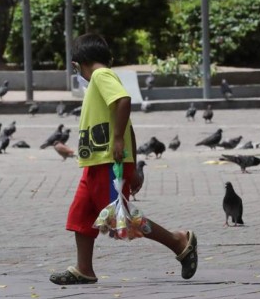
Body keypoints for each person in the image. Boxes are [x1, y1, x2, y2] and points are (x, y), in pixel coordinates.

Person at [49, 33, 198, 285]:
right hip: (97, 163)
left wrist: (118, 142)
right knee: (81, 216)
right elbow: (127, 124)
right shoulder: (100, 80)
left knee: (125, 217)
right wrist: (132, 160)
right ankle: (84, 269)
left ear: (79, 62)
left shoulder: (100, 75)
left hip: (108, 162)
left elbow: (123, 101)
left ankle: (178, 241)